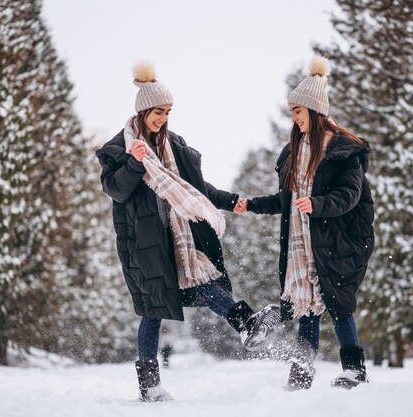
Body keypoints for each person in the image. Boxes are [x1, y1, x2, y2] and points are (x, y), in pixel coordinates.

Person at [95, 62, 279, 402]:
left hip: (181, 240)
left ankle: (246, 323)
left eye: (167, 112)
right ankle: (149, 385)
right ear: (143, 110)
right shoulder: (119, 148)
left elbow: (196, 188)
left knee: (206, 282)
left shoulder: (173, 145)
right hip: (145, 244)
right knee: (152, 310)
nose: (162, 119)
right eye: (157, 112)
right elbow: (116, 189)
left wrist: (231, 200)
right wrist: (135, 163)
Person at [242, 56, 374, 389]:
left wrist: (315, 204)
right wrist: (250, 205)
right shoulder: (293, 153)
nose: (294, 118)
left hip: (339, 240)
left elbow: (349, 196)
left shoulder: (344, 151)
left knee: (338, 303)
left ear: (313, 111)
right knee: (308, 307)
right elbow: (284, 202)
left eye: (297, 111)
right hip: (305, 244)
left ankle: (354, 371)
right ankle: (301, 376)